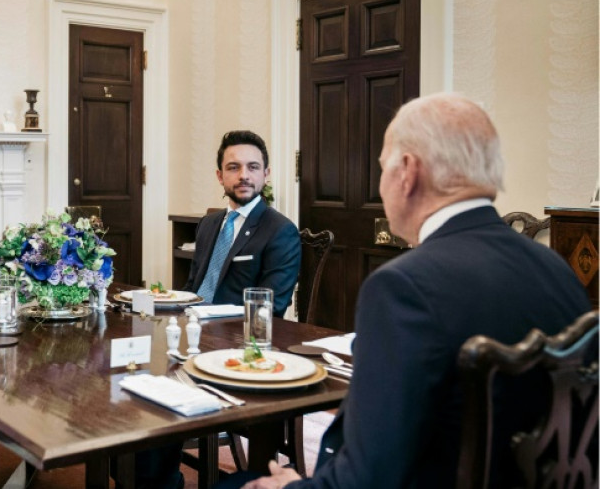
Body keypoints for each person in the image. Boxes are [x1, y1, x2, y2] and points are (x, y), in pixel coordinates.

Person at [223, 93, 591, 489]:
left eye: (382, 168)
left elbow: (365, 480)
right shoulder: (558, 270)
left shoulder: (403, 287)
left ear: (408, 172)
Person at [184, 130, 301, 315]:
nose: (243, 176)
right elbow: (192, 288)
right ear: (220, 176)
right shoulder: (207, 224)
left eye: (253, 167)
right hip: (190, 326)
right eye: (233, 167)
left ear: (265, 174)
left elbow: (270, 308)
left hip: (236, 334)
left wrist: (208, 316)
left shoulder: (281, 231)